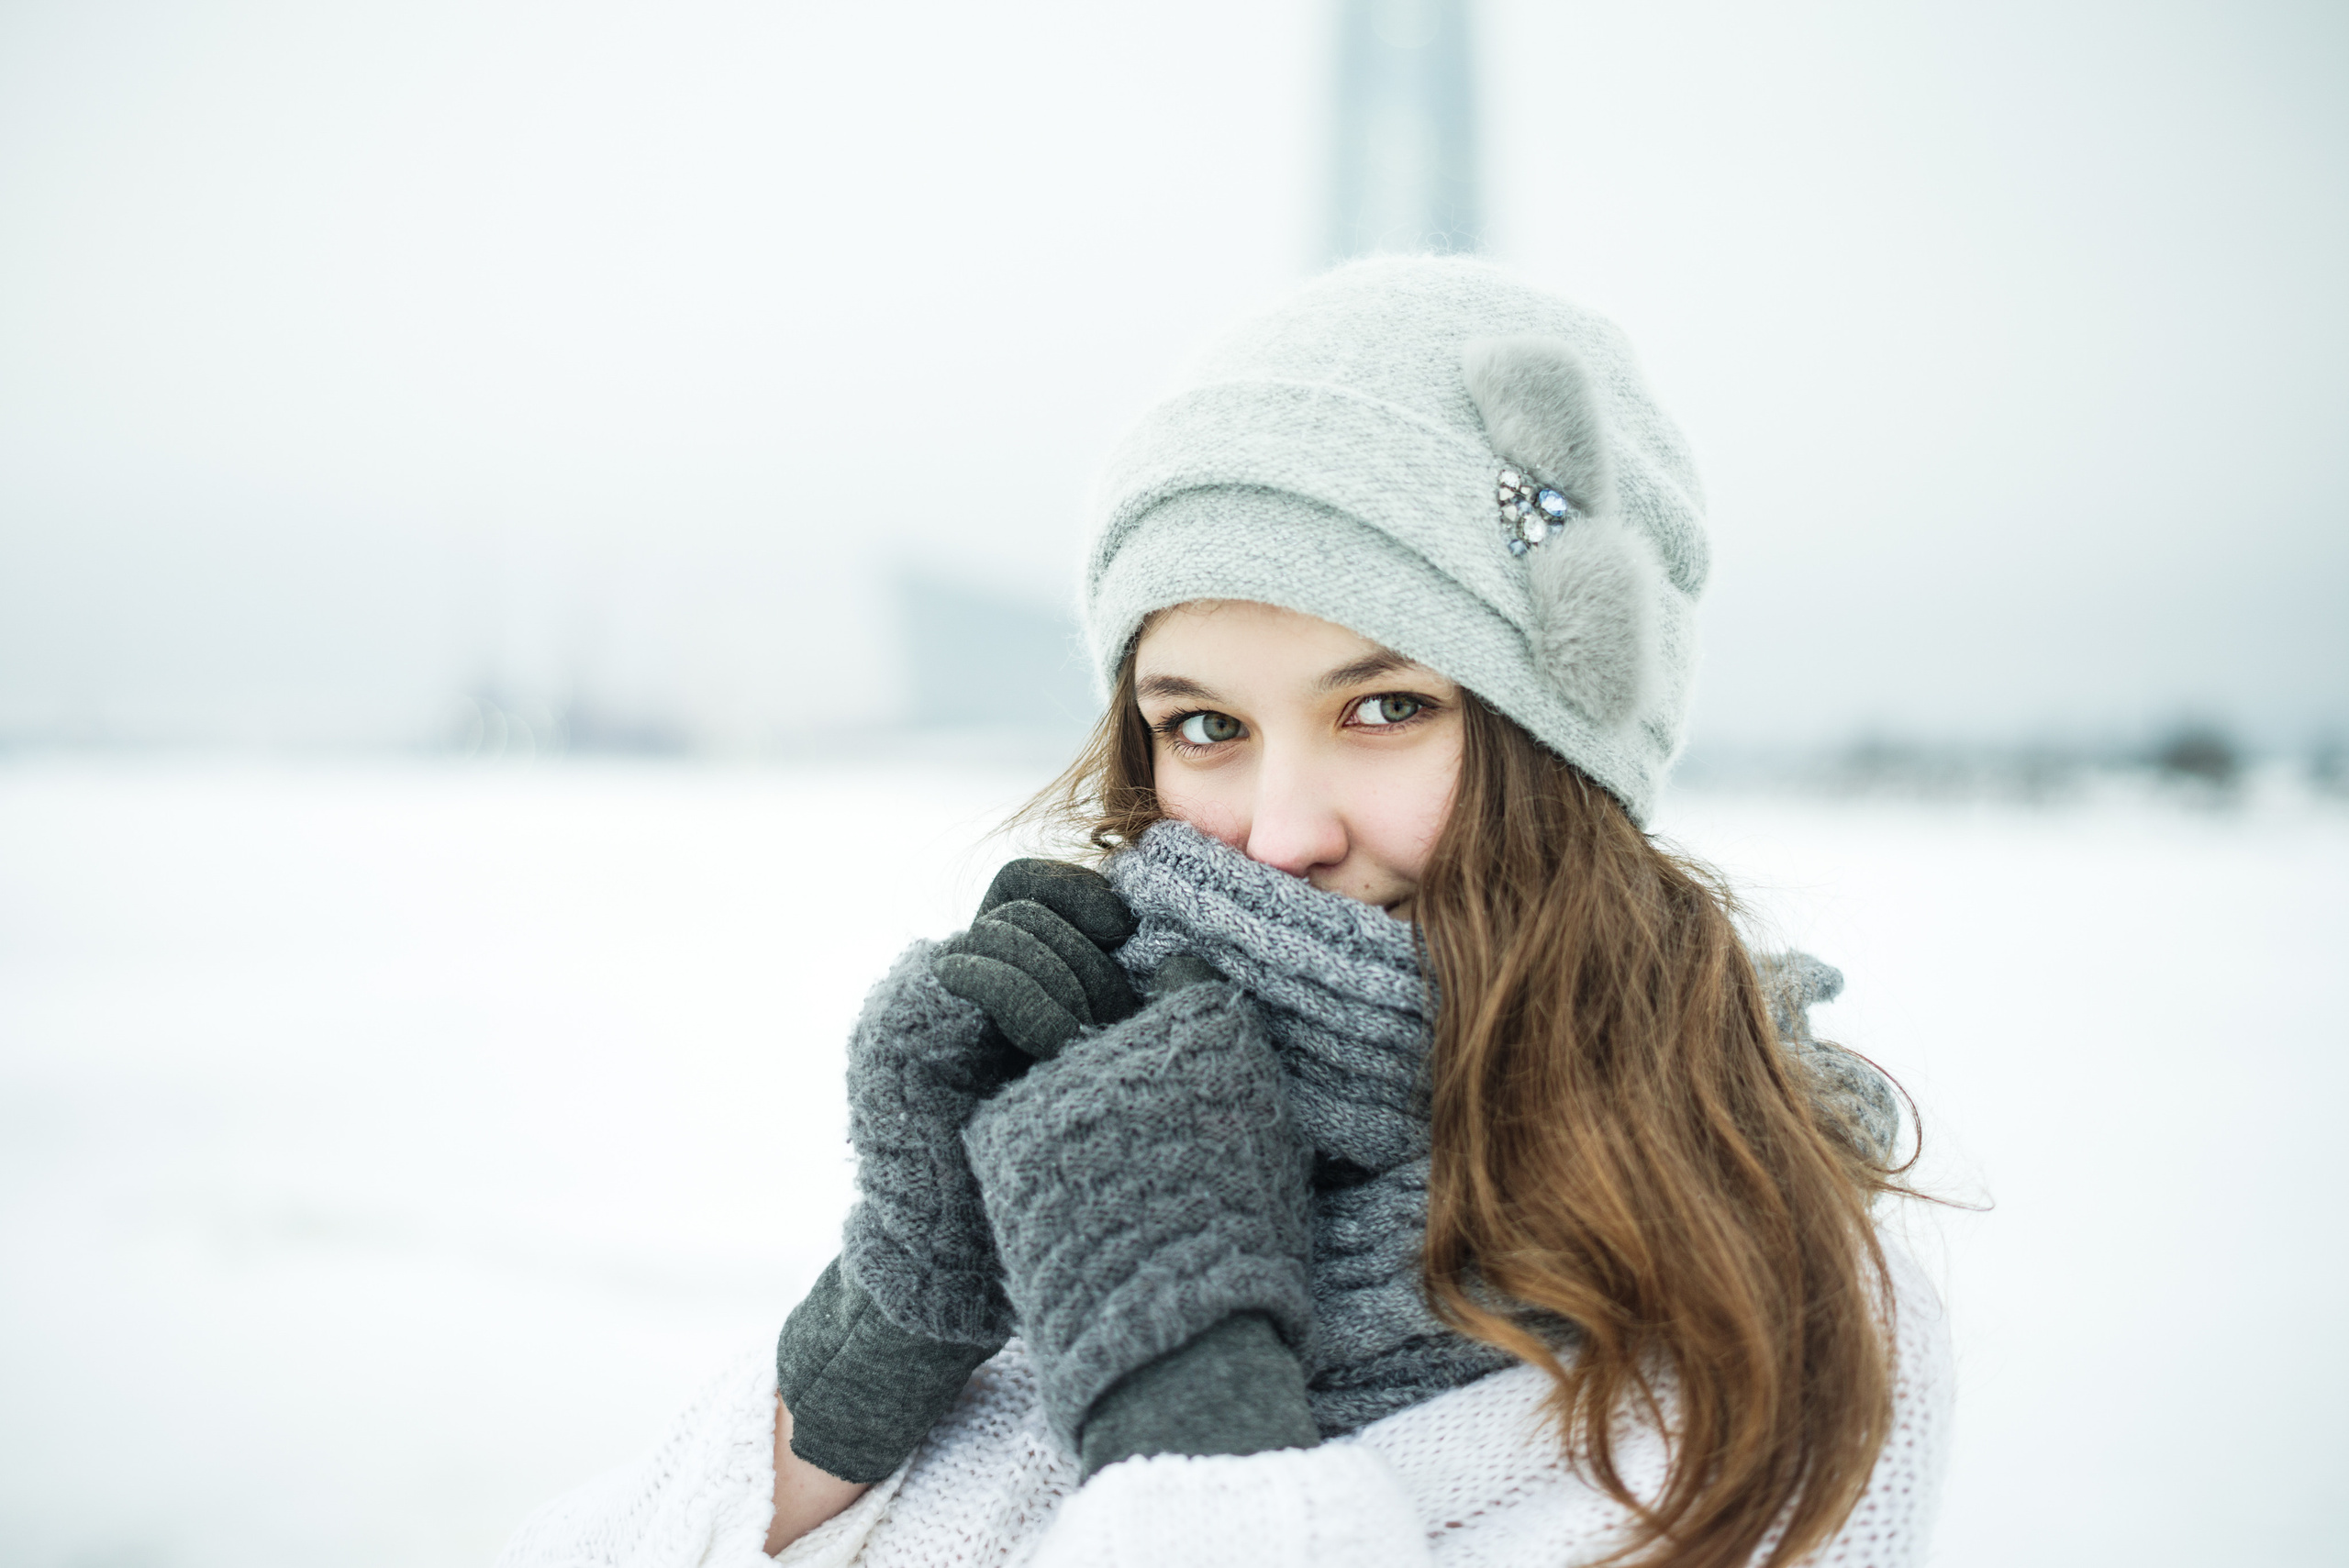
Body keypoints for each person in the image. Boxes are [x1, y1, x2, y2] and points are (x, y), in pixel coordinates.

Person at [497, 257, 1951, 1568]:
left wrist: (1181, 1388)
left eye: (1385, 707)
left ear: (1558, 749)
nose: (1277, 832)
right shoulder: (1094, 1115)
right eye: (1204, 727)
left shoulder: (1769, 1284)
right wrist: (893, 1322)